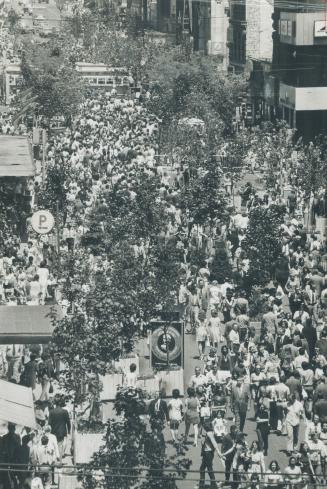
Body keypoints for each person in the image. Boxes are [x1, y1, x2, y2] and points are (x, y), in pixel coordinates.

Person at [199, 421, 222, 489]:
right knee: (203, 469)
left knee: (208, 469)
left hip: (208, 453)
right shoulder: (209, 433)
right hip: (207, 453)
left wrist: (218, 452)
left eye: (203, 427)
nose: (202, 428)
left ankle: (211, 485)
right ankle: (206, 485)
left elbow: (214, 443)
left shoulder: (209, 433)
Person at [48, 397, 71, 462]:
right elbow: (68, 422)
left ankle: (54, 460)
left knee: (54, 446)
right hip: (62, 432)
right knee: (59, 446)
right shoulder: (65, 411)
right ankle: (59, 461)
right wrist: (69, 430)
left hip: (53, 432)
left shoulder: (51, 412)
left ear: (55, 403)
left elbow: (49, 423)